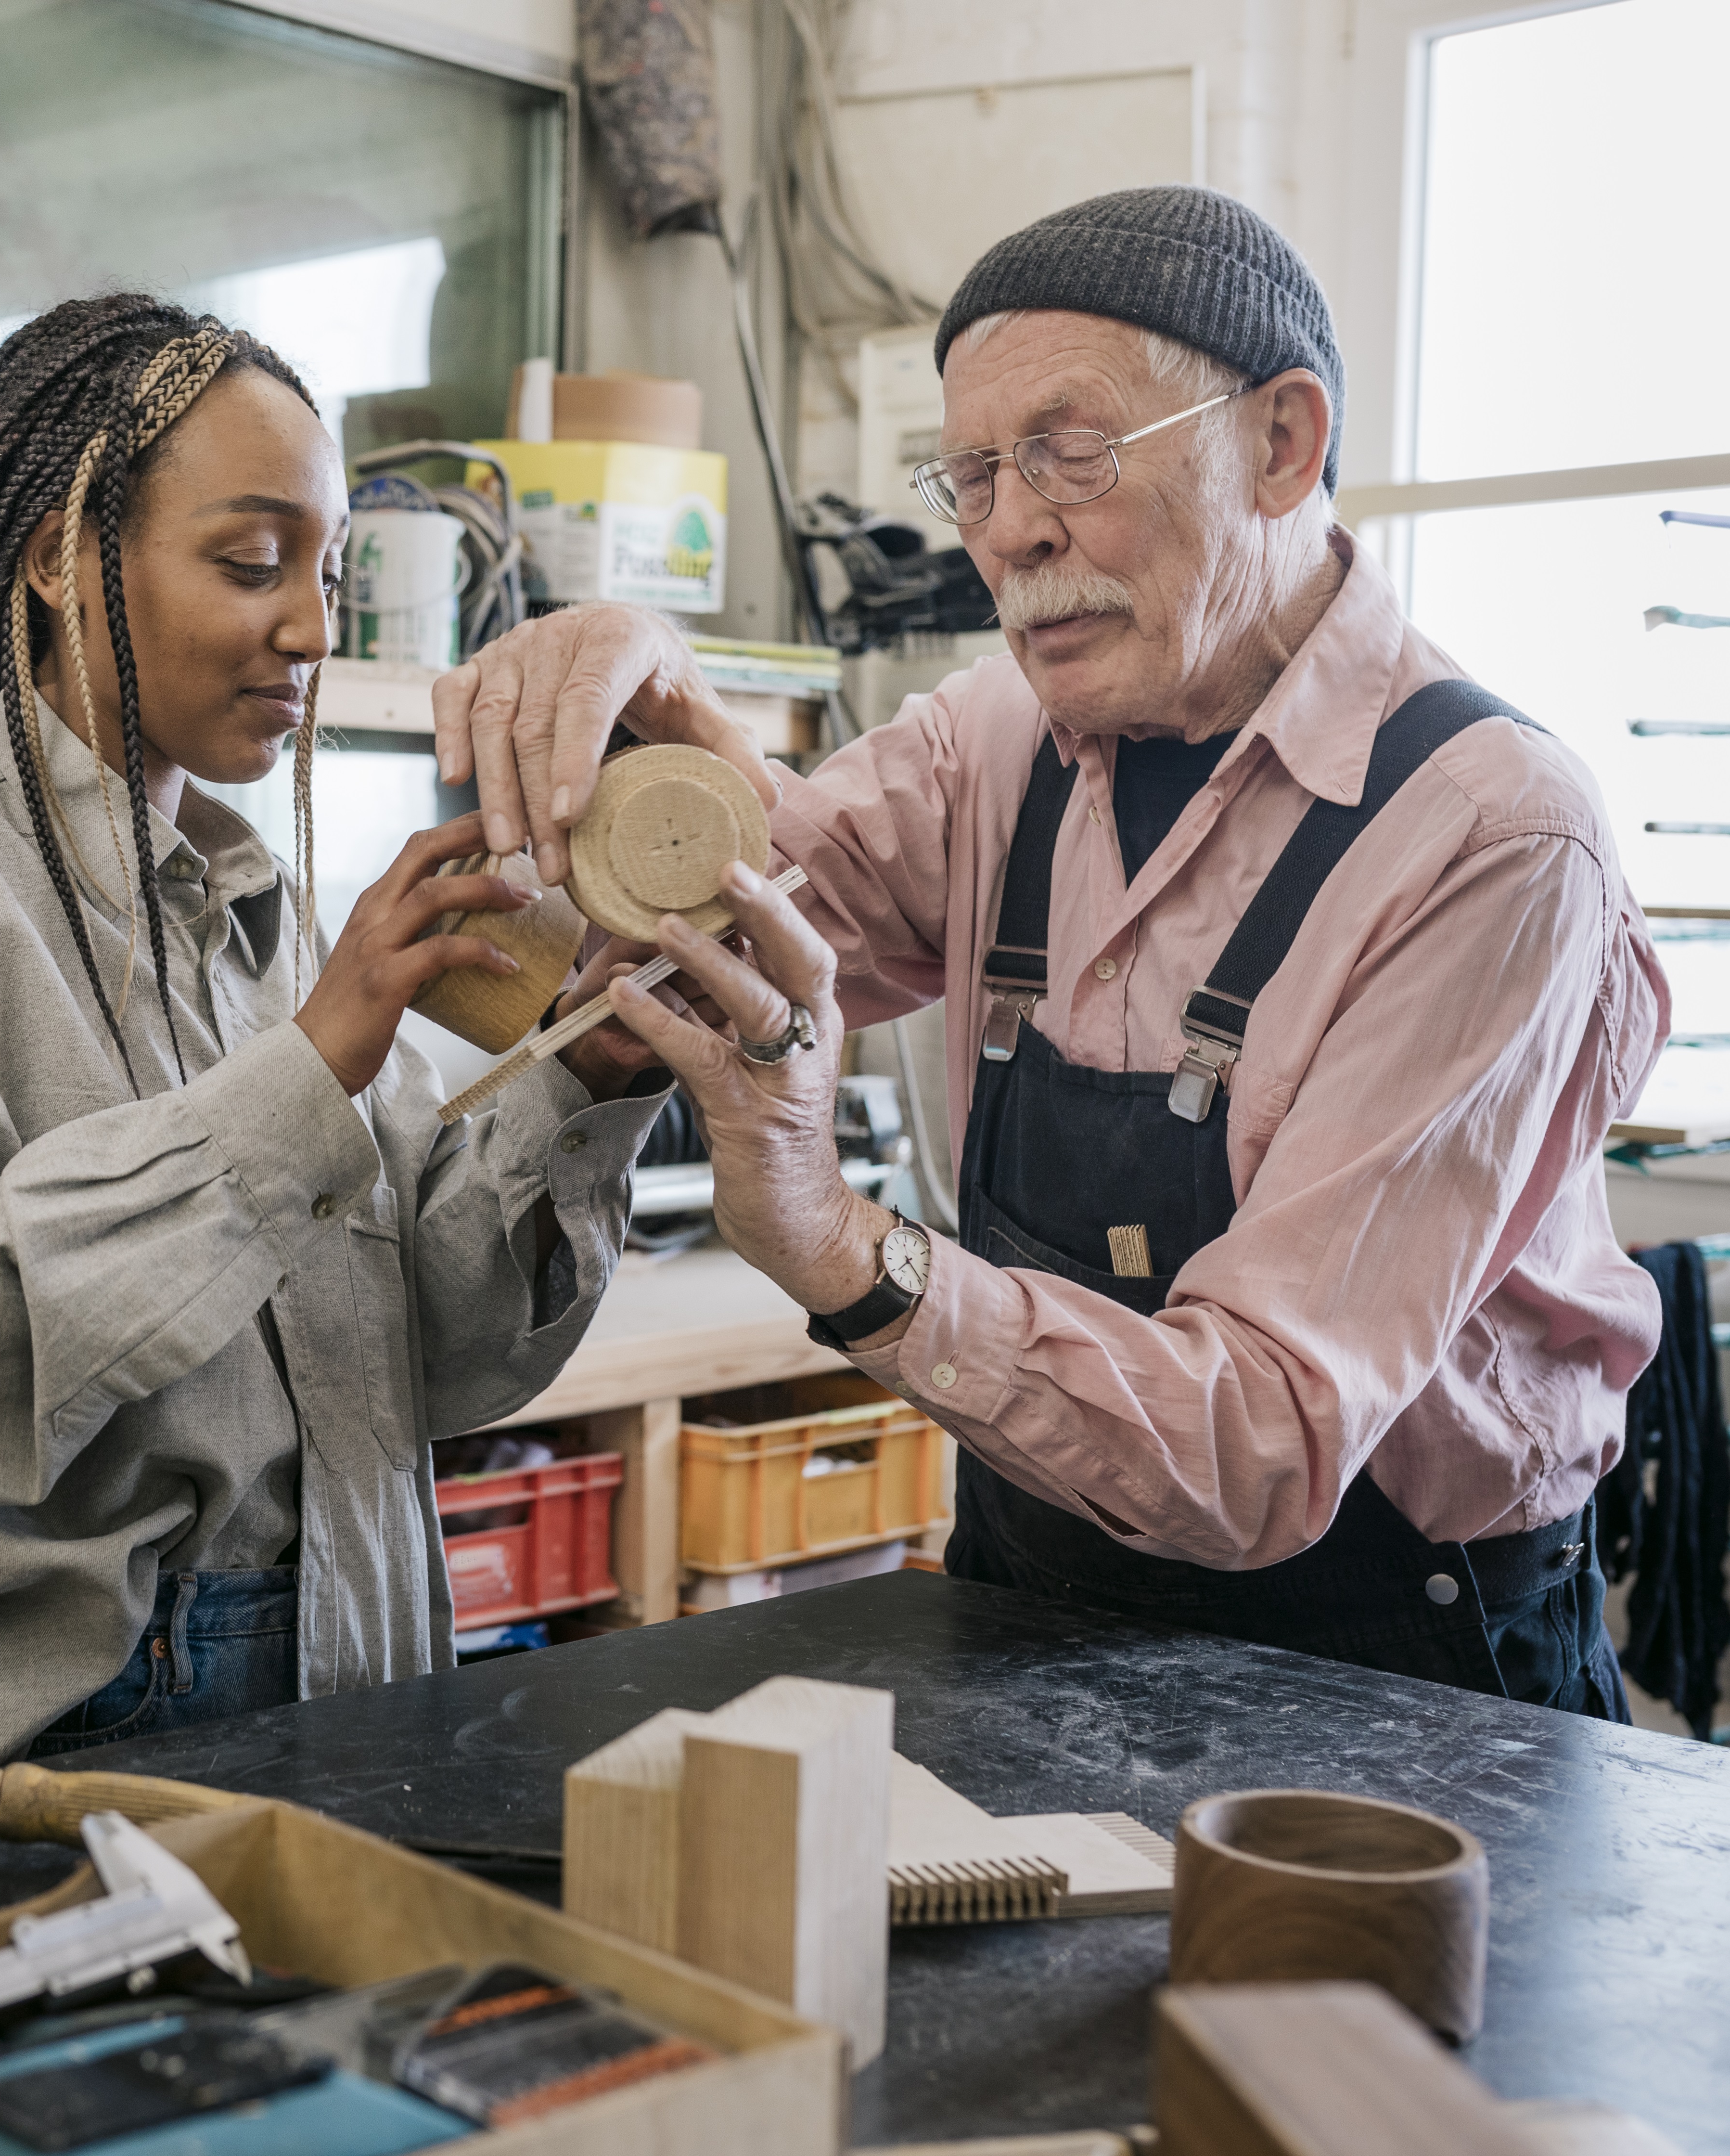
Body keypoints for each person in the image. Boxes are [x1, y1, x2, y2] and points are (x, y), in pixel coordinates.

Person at [433, 187, 1669, 1718]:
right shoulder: (996, 741)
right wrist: (644, 702)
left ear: (1281, 444)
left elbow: (1262, 1440)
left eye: (1069, 455)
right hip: (1035, 1581)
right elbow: (738, 927)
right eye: (970, 475)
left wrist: (840, 1243)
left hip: (1392, 1659)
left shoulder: (1489, 837)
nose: (1008, 528)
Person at [0, 296, 679, 1771]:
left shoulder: (262, 912)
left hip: (346, 1660)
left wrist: (591, 1072)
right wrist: (309, 1075)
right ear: (55, 555)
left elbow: (446, 1354)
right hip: (35, 1734)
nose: (310, 626)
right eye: (249, 562)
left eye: (331, 571)